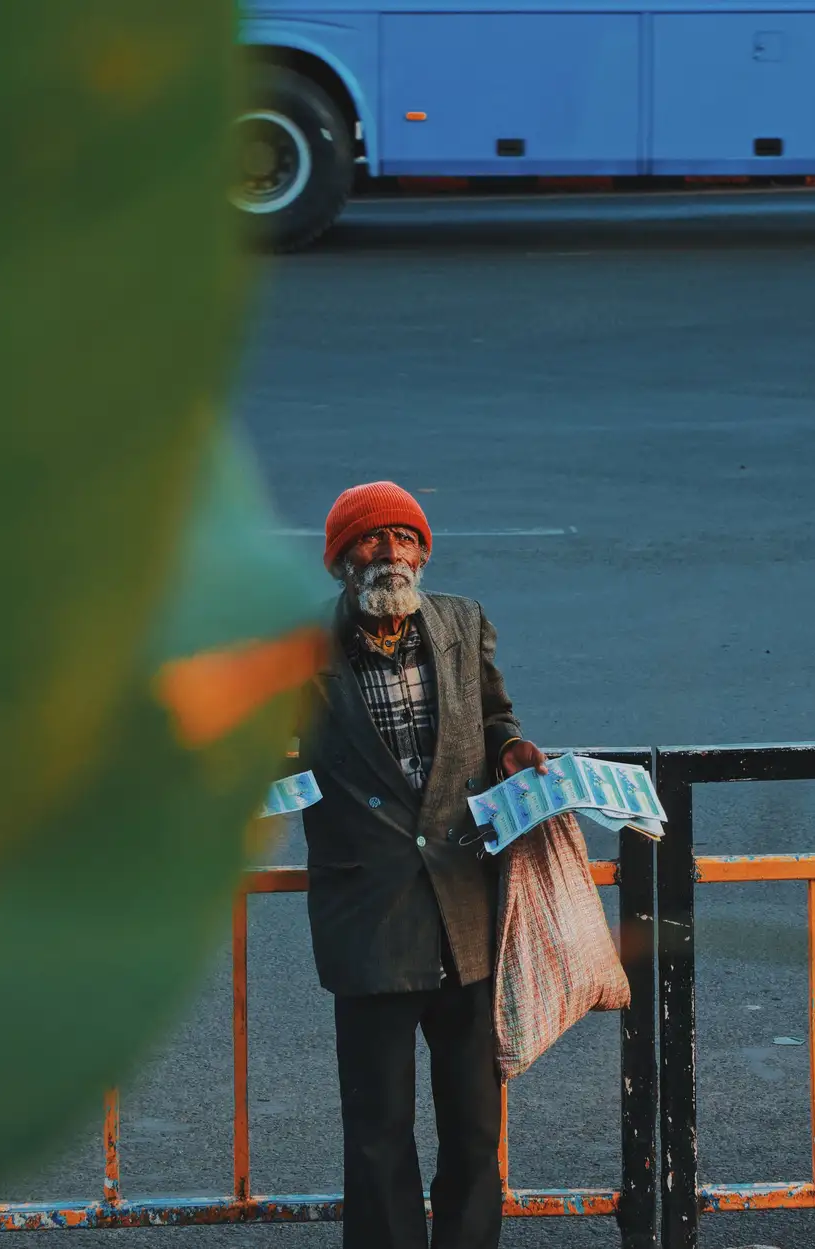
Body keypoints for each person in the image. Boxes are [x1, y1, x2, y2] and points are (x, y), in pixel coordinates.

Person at [298, 481, 546, 1249]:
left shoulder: (462, 624)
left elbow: (496, 713)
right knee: (378, 1135)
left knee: (475, 1128)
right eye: (373, 540)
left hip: (463, 909)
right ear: (343, 559)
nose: (392, 554)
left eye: (406, 539)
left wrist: (510, 748)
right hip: (367, 913)